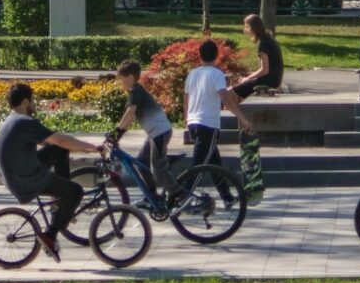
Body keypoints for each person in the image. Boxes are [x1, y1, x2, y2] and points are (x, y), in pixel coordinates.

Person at [0, 81, 105, 263]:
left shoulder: (12, 119)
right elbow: (60, 139)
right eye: (32, 101)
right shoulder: (24, 122)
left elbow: (54, 142)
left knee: (59, 149)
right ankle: (50, 235)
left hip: (18, 171)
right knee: (75, 191)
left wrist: (67, 144)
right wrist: (92, 148)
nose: (34, 104)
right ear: (24, 102)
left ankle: (59, 202)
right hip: (26, 179)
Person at [109, 60, 180, 205]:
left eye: (121, 79)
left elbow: (130, 113)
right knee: (141, 161)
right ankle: (151, 196)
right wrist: (119, 133)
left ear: (130, 78)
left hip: (160, 132)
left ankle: (178, 195)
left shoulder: (135, 91)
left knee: (159, 170)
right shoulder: (136, 91)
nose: (120, 83)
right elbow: (130, 118)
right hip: (155, 133)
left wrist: (116, 133)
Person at [182, 39, 238, 209]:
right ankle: (182, 198)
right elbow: (226, 99)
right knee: (199, 166)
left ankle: (227, 196)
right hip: (208, 125)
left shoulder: (193, 74)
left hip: (193, 122)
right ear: (217, 55)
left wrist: (187, 120)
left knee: (214, 163)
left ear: (199, 55)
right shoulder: (216, 74)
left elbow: (186, 99)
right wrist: (243, 119)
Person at [229, 13, 284, 119]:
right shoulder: (269, 39)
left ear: (251, 27)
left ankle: (238, 120)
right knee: (238, 87)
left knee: (228, 93)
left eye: (246, 26)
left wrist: (247, 78)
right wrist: (250, 75)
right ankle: (240, 117)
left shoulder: (263, 44)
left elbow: (265, 70)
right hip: (274, 79)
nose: (245, 29)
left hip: (268, 80)